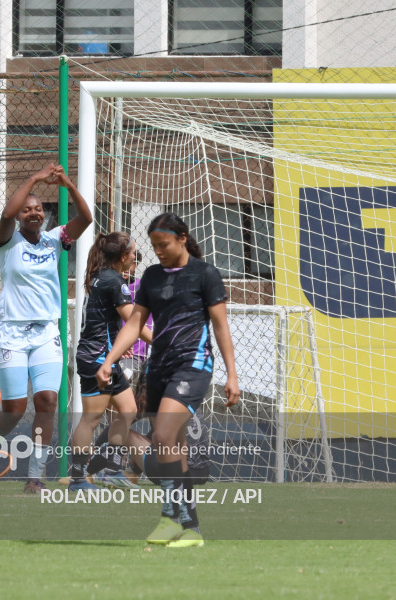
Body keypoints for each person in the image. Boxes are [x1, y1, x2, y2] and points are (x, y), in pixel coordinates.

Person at [96, 212, 240, 548]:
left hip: (192, 366)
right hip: (158, 367)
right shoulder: (151, 276)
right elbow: (134, 324)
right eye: (154, 246)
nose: (158, 251)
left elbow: (220, 326)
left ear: (182, 238)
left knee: (162, 435)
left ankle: (168, 517)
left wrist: (232, 375)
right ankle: (191, 528)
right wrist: (109, 360)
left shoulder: (205, 275)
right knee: (172, 448)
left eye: (164, 245)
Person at [0, 164, 93, 494]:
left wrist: (66, 182)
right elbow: (8, 212)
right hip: (11, 333)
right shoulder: (8, 241)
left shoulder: (56, 240)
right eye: (28, 209)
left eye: (39, 208)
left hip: (45, 333)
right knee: (14, 407)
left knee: (47, 401)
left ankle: (35, 476)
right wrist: (36, 178)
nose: (33, 212)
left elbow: (86, 218)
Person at [69, 232, 153, 491]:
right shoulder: (113, 281)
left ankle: (112, 470)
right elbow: (134, 321)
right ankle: (78, 478)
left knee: (127, 410)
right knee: (91, 419)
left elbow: (109, 320)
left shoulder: (104, 277)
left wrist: (116, 348)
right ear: (122, 256)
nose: (135, 259)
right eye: (133, 254)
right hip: (96, 358)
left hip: (105, 356)